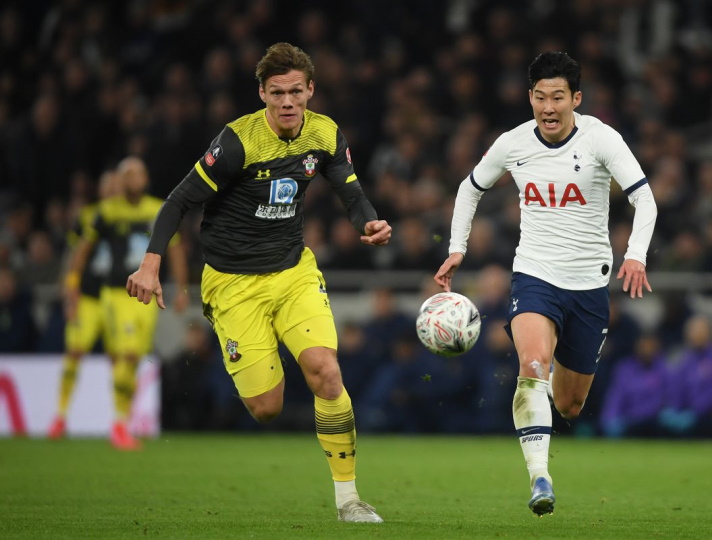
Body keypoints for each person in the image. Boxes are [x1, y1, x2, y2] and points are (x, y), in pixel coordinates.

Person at [126, 43, 391, 523]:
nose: (287, 102)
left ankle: (349, 499)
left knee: (326, 372)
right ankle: (255, 348)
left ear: (310, 90)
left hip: (293, 273)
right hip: (232, 284)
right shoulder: (237, 142)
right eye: (277, 93)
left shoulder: (325, 133)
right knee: (266, 407)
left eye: (296, 92)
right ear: (262, 94)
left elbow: (350, 190)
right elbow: (177, 201)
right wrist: (150, 264)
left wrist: (368, 221)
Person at [434, 51, 657, 516]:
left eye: (558, 97)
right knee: (532, 364)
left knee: (571, 405)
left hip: (589, 286)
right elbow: (470, 188)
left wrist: (636, 254)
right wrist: (458, 247)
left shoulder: (601, 139)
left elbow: (645, 199)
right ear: (530, 97)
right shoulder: (513, 143)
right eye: (540, 97)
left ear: (576, 98)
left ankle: (544, 393)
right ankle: (540, 476)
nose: (549, 107)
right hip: (534, 274)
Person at [65, 157, 190, 450]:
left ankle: (122, 422)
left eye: (139, 173)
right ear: (121, 181)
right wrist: (72, 285)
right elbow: (83, 250)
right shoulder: (107, 212)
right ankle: (119, 424)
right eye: (129, 174)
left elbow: (175, 249)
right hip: (116, 293)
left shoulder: (158, 209)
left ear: (146, 179)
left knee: (134, 358)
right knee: (128, 352)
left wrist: (181, 289)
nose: (135, 178)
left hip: (146, 295)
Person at [48, 170, 122, 440]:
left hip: (119, 299)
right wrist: (69, 292)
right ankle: (60, 416)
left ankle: (120, 423)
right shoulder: (87, 216)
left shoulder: (130, 216)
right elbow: (73, 255)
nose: (112, 191)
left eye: (116, 186)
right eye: (108, 186)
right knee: (75, 352)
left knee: (119, 359)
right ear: (100, 190)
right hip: (89, 298)